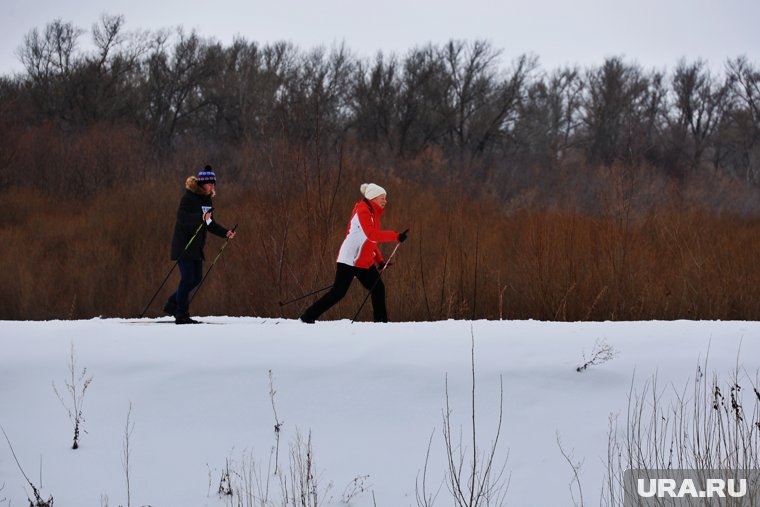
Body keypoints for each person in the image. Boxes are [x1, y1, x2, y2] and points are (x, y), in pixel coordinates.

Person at [300, 183, 408, 323]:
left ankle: (381, 323)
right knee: (338, 293)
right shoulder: (363, 211)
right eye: (382, 198)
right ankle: (308, 317)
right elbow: (371, 235)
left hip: (364, 262)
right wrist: (396, 236)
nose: (385, 201)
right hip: (349, 260)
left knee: (378, 288)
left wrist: (379, 261)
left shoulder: (373, 214)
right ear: (373, 198)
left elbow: (369, 242)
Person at [164, 165, 236, 324]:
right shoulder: (188, 198)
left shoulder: (207, 200)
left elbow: (209, 223)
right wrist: (200, 217)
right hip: (184, 245)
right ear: (202, 183)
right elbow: (182, 218)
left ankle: (172, 303)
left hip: (196, 247)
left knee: (196, 278)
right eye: (210, 184)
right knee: (187, 278)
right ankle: (181, 314)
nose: (212, 186)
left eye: (213, 184)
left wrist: (226, 233)